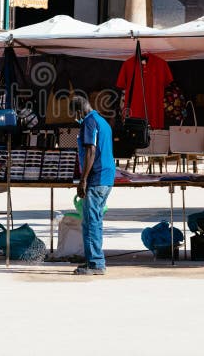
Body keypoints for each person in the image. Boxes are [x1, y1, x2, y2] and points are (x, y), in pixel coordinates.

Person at [70, 95, 115, 276]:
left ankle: (96, 263)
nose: (75, 118)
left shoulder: (88, 122)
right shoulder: (102, 121)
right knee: (94, 219)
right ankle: (94, 258)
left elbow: (91, 150)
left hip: (96, 179)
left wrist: (83, 179)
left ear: (79, 110)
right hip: (106, 177)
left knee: (91, 222)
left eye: (74, 113)